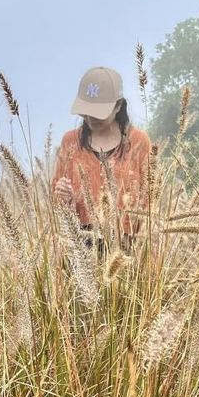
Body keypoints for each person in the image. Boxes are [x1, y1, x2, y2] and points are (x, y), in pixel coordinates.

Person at [51, 66, 152, 257]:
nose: (90, 118)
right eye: (86, 112)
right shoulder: (70, 141)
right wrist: (65, 197)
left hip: (125, 249)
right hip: (80, 247)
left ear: (118, 106)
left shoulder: (139, 141)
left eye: (98, 113)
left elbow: (150, 198)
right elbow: (56, 198)